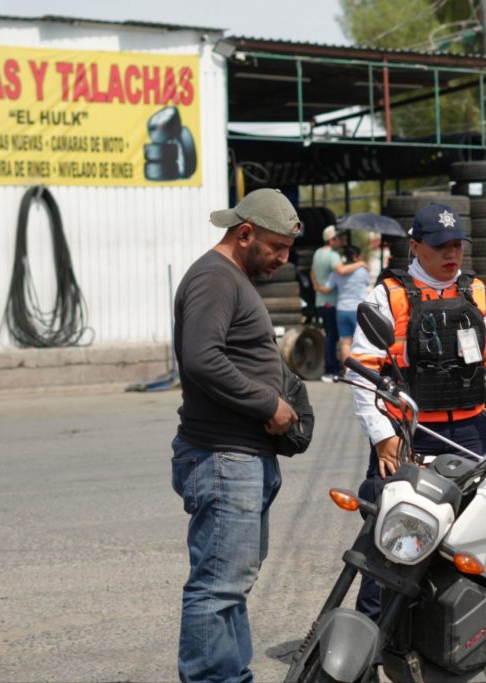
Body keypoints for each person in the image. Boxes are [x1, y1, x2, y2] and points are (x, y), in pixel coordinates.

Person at [346, 202, 486, 621]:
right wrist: (383, 437)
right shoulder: (387, 295)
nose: (452, 254)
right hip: (407, 436)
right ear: (415, 246)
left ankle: (451, 628)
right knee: (390, 536)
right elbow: (362, 373)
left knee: (468, 535)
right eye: (440, 246)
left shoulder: (478, 293)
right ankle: (370, 633)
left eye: (457, 245)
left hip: (470, 433)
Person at [171, 188, 306, 683]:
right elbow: (201, 358)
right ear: (244, 233)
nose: (283, 259)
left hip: (239, 458)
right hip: (225, 459)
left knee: (231, 584)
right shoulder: (215, 277)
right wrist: (267, 404)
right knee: (218, 586)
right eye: (277, 247)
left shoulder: (230, 278)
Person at [311, 226, 368, 382]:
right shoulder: (333, 255)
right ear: (331, 240)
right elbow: (342, 271)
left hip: (322, 301)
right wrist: (361, 264)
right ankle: (333, 369)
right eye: (339, 238)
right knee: (338, 338)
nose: (342, 241)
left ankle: (339, 370)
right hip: (333, 302)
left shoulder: (317, 253)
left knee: (335, 338)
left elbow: (312, 272)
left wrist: (316, 286)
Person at [324, 244, 373, 364]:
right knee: (361, 341)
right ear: (356, 257)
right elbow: (368, 283)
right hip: (358, 310)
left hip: (341, 309)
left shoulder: (337, 272)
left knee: (346, 342)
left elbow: (328, 288)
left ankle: (347, 370)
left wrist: (315, 282)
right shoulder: (362, 271)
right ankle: (359, 370)